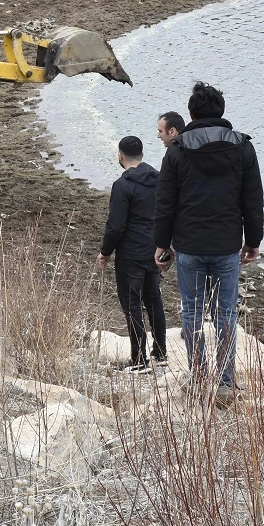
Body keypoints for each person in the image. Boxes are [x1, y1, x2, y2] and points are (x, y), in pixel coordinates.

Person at [153, 82, 263, 403]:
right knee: (226, 313)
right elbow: (252, 200)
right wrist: (252, 240)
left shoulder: (177, 150)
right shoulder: (243, 147)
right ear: (222, 111)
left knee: (192, 313)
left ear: (191, 113)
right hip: (227, 244)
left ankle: (199, 377)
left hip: (188, 244)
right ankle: (226, 383)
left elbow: (166, 202)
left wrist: (162, 243)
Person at [98, 135, 167, 371]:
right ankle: (160, 353)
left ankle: (139, 361)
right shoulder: (159, 179)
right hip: (155, 250)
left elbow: (116, 225)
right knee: (154, 300)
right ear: (142, 154)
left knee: (132, 305)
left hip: (130, 254)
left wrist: (105, 251)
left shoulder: (123, 185)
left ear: (120, 155)